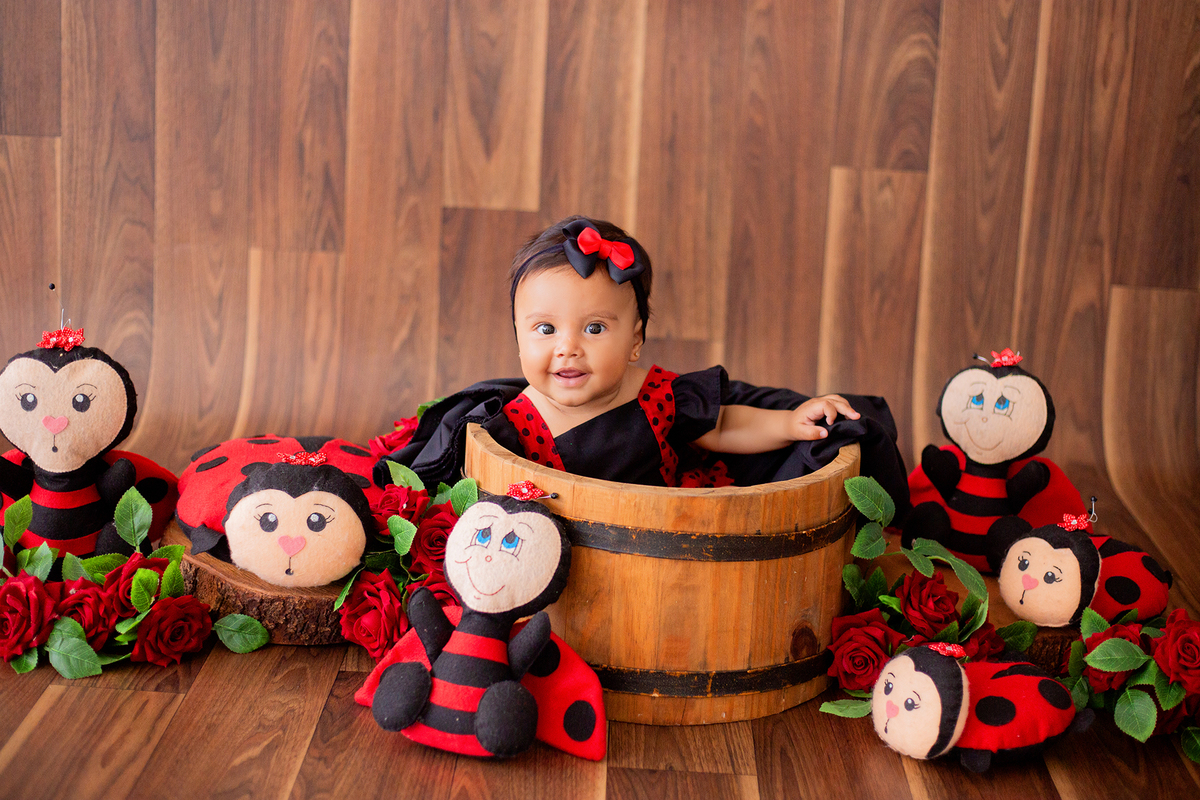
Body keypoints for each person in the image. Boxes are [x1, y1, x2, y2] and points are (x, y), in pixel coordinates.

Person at [376, 216, 909, 507]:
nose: (567, 347)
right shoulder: (510, 423)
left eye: (594, 328)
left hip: (662, 531)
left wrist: (789, 423)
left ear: (636, 339)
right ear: (518, 340)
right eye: (545, 329)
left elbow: (724, 426)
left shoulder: (656, 394)